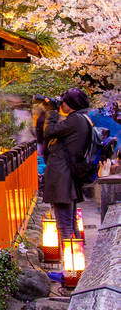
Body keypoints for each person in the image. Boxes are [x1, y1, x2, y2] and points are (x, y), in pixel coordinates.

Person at [42, 88, 93, 242]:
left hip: (62, 177)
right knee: (70, 223)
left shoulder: (76, 120)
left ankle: (70, 262)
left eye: (63, 101)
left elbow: (49, 132)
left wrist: (51, 112)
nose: (61, 104)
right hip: (67, 176)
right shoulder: (82, 119)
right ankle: (75, 260)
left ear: (70, 103)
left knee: (64, 225)